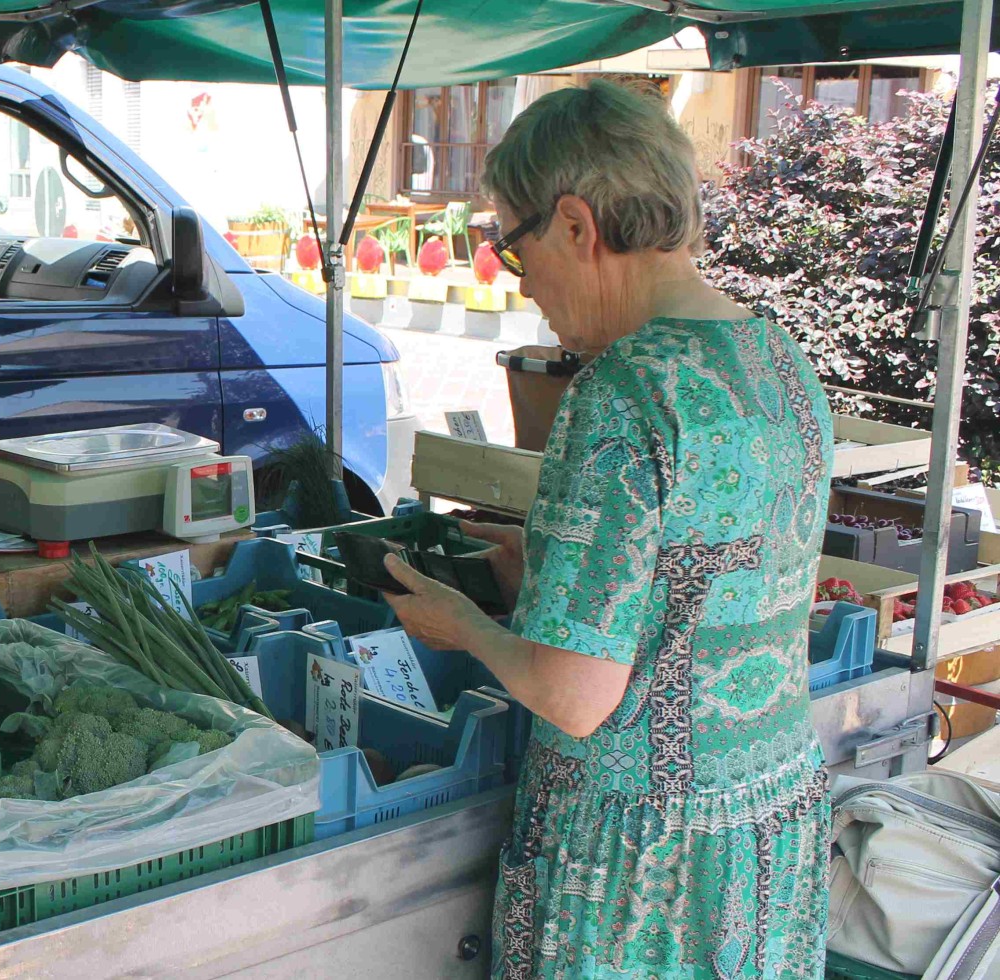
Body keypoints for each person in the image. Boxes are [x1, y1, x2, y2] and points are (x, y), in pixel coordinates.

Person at [378, 80, 832, 979]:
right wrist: (547, 570)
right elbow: (702, 580)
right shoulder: (780, 358)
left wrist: (460, 625)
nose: (524, 283)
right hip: (766, 828)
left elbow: (574, 696)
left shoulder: (622, 391)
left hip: (644, 863)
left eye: (516, 248)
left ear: (577, 225)